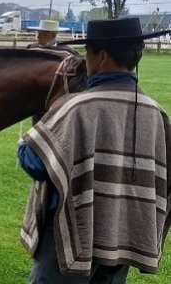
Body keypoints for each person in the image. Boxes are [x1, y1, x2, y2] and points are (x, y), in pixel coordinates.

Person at [18, 18, 171, 283]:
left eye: (87, 53)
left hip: (70, 235)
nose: (85, 60)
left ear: (101, 57)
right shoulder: (156, 113)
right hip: (121, 235)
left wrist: (25, 142)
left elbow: (34, 163)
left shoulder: (77, 107)